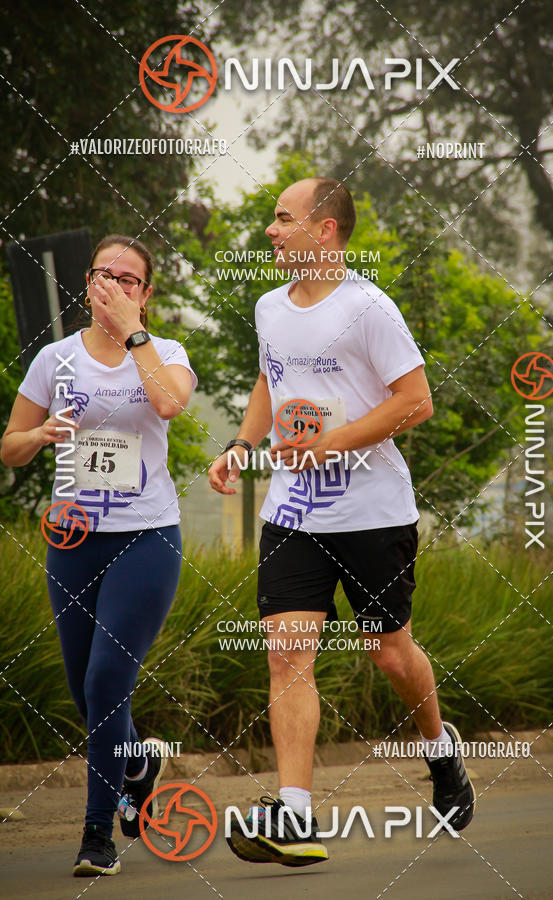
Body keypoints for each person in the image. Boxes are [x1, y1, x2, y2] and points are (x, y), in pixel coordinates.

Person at [209, 178, 475, 867]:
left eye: (282, 218)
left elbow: (415, 401)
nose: (271, 230)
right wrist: (242, 444)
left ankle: (439, 748)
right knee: (286, 653)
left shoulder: (368, 309)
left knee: (388, 651)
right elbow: (269, 380)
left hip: (372, 513)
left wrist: (331, 444)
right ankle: (294, 814)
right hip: (294, 511)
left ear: (324, 230)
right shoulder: (269, 307)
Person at [1, 235, 197, 876]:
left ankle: (97, 834)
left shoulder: (166, 353)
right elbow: (10, 447)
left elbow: (168, 402)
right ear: (86, 284)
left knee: (107, 680)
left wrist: (133, 332)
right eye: (101, 274)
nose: (111, 284)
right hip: (73, 538)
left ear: (146, 293)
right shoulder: (55, 359)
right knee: (85, 693)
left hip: (146, 535)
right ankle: (138, 763)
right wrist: (40, 433)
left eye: (127, 278)